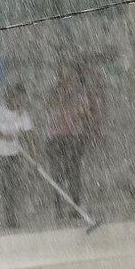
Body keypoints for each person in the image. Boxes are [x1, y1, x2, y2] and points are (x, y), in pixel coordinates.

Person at [45, 62, 103, 219]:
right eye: (66, 75)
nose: (69, 78)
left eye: (72, 75)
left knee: (73, 173)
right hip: (56, 136)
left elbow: (81, 111)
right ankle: (58, 208)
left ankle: (75, 206)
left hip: (74, 136)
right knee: (57, 174)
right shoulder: (56, 91)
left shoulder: (81, 93)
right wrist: (69, 106)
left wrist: (69, 107)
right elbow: (53, 105)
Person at [0, 84, 34, 231]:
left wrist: (34, 158)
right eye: (18, 100)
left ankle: (10, 219)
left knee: (9, 185)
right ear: (10, 97)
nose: (20, 104)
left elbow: (29, 137)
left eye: (23, 100)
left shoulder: (23, 115)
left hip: (11, 152)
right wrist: (2, 136)